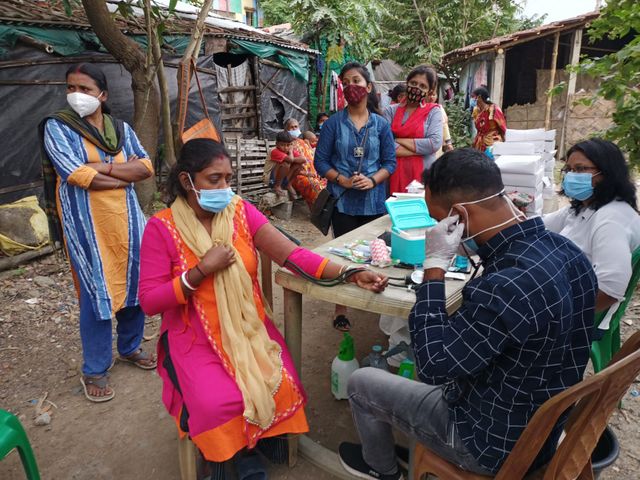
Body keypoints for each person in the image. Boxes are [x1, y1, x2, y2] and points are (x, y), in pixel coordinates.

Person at [339, 148, 597, 479]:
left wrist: (434, 268)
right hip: (542, 429)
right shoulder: (569, 252)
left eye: (438, 221)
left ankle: (383, 470)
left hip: (487, 441)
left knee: (361, 383)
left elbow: (433, 366)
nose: (436, 230)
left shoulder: (506, 285)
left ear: (459, 215)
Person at [138, 138, 388, 478]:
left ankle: (248, 449)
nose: (224, 188)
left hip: (248, 329)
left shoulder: (240, 211)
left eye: (228, 179)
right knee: (218, 402)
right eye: (214, 179)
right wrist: (200, 271)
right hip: (194, 337)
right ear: (187, 181)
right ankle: (225, 458)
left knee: (281, 382)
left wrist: (350, 272)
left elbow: (292, 255)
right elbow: (150, 301)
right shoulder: (161, 228)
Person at [41, 63, 156, 403]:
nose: (76, 95)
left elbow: (146, 166)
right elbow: (74, 173)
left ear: (102, 95)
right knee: (96, 291)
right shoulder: (58, 127)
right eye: (71, 88)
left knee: (133, 282)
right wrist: (122, 175)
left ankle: (130, 347)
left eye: (85, 89)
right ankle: (95, 367)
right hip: (86, 225)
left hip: (127, 220)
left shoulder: (120, 129)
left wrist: (103, 167)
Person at [314, 61, 396, 332]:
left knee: (376, 253)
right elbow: (320, 162)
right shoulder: (333, 124)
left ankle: (374, 294)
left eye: (356, 81)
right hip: (343, 202)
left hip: (374, 202)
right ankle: (341, 307)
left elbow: (390, 162)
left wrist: (372, 180)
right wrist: (342, 180)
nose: (351, 87)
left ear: (368, 87)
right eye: (346, 82)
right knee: (344, 255)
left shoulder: (381, 125)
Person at [544, 138, 640, 336]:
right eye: (569, 170)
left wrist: (561, 317)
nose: (571, 176)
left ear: (606, 173)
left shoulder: (611, 218)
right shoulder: (584, 207)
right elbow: (538, 226)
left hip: (574, 316)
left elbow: (610, 289)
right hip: (561, 296)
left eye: (580, 169)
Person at [384, 65, 443, 194]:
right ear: (407, 83)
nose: (417, 88)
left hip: (423, 177)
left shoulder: (433, 112)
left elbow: (434, 143)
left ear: (429, 91)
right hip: (392, 174)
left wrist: (397, 140)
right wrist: (422, 151)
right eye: (413, 83)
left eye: (423, 86)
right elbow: (385, 145)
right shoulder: (390, 111)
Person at [283, 118, 327, 208]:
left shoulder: (304, 142)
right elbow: (288, 167)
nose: (294, 129)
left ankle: (327, 210)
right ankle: (317, 211)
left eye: (296, 127)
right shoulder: (286, 145)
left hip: (313, 174)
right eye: (292, 127)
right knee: (315, 186)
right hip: (297, 176)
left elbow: (312, 159)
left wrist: (318, 172)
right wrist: (307, 174)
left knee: (329, 183)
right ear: (286, 130)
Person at [263, 130, 305, 198]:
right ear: (277, 144)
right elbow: (290, 160)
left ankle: (288, 184)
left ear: (290, 144)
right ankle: (277, 186)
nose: (285, 147)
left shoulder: (288, 150)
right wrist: (291, 152)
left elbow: (303, 159)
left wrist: (292, 158)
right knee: (285, 163)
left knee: (298, 165)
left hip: (280, 177)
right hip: (269, 178)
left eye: (288, 145)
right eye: (282, 145)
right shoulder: (274, 151)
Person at [471, 86, 506, 151]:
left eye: (473, 97)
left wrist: (505, 143)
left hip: (492, 142)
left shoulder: (494, 109)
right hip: (479, 143)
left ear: (479, 97)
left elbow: (502, 127)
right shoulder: (476, 111)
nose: (472, 99)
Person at [430, 91, 454, 158]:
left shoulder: (439, 108)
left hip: (436, 141)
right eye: (429, 95)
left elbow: (444, 125)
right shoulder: (418, 108)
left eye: (433, 95)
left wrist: (448, 142)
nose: (431, 97)